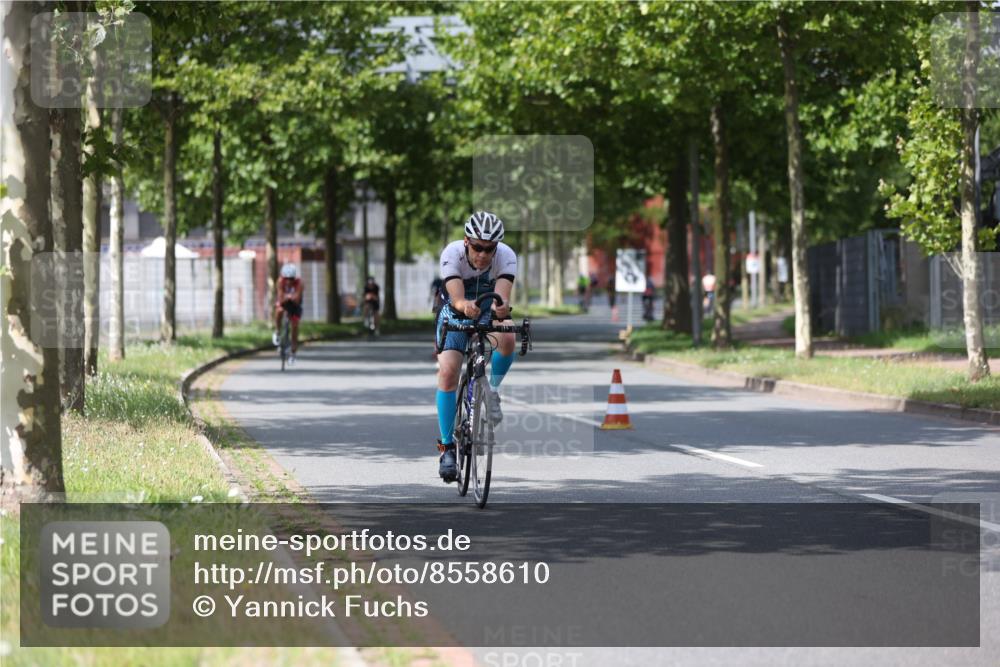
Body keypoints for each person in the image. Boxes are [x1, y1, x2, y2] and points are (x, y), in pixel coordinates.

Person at [434, 211, 518, 483]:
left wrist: (502, 309)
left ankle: (491, 391)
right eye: (478, 247)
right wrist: (464, 305)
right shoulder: (452, 253)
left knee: (507, 336)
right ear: (466, 241)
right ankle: (447, 448)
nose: (483, 254)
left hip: (485, 312)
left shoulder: (506, 256)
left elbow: (501, 300)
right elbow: (458, 299)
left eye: (489, 249)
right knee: (448, 372)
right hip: (454, 312)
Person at [273, 263, 303, 365]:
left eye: (291, 279)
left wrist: (289, 297)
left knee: (295, 326)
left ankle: (293, 353)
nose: (289, 281)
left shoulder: (300, 283)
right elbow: (280, 298)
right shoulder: (280, 282)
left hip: (295, 306)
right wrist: (289, 297)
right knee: (279, 310)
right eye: (287, 279)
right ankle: (277, 331)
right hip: (284, 303)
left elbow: (297, 300)